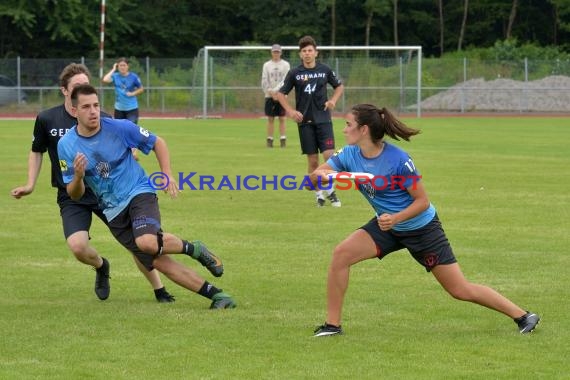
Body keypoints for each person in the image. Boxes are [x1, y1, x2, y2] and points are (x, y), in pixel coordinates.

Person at [310, 103, 540, 337]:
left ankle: (523, 316)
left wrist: (396, 218)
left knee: (459, 289)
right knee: (342, 254)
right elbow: (316, 176)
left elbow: (422, 202)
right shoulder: (349, 153)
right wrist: (320, 176)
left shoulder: (398, 160)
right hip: (386, 225)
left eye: (348, 125)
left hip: (421, 228)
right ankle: (332, 325)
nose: (344, 130)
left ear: (364, 130)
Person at [57, 84, 237, 309]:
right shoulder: (65, 145)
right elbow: (75, 194)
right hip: (112, 211)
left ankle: (193, 248)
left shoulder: (120, 127)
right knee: (158, 262)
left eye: (96, 105)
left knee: (147, 242)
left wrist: (167, 174)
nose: (93, 111)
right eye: (86, 107)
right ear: (74, 111)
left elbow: (157, 142)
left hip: (138, 192)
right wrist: (78, 176)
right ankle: (218, 296)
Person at [10, 63, 174, 303]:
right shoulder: (47, 119)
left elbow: (118, 137)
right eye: (77, 86)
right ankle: (101, 266)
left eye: (87, 85)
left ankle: (159, 289)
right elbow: (37, 151)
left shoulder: (99, 116)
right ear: (65, 91)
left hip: (105, 191)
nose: (84, 90)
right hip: (72, 194)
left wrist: (133, 150)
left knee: (136, 242)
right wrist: (30, 183)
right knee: (77, 246)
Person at [276, 35, 344, 207]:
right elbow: (280, 94)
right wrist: (291, 111)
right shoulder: (295, 73)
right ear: (300, 54)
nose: (307, 54)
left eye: (310, 50)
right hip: (305, 122)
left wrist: (333, 101)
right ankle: (320, 194)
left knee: (329, 156)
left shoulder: (325, 70)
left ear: (316, 53)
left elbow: (339, 86)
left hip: (324, 121)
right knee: (313, 161)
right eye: (304, 51)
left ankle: (330, 190)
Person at [261, 44, 290, 148]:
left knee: (282, 118)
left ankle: (283, 139)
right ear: (271, 53)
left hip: (281, 95)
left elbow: (286, 80)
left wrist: (278, 92)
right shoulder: (266, 65)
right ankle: (270, 139)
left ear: (281, 53)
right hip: (269, 95)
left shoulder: (286, 65)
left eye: (278, 52)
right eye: (274, 52)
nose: (276, 54)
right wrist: (270, 92)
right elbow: (264, 80)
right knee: (270, 118)